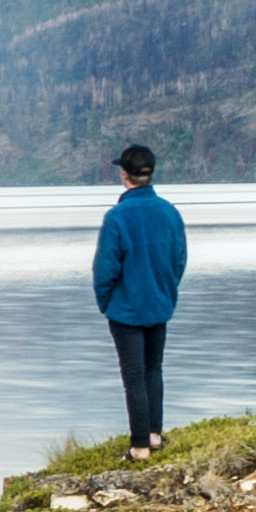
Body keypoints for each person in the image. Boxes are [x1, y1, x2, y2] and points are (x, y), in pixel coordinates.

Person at [88, 142, 185, 449]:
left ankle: (140, 447)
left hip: (126, 310)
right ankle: (154, 435)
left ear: (125, 175)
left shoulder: (117, 217)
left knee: (133, 377)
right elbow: (178, 259)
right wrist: (166, 291)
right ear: (149, 174)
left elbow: (105, 269)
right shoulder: (169, 212)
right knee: (154, 370)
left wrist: (107, 304)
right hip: (159, 304)